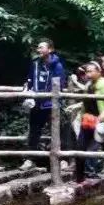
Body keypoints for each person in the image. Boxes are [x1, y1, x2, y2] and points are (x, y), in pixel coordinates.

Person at [22, 39, 68, 170]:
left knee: (57, 131)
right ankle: (30, 159)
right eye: (38, 47)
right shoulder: (35, 64)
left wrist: (47, 96)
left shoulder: (57, 65)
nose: (39, 50)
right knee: (34, 131)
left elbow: (60, 84)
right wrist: (28, 92)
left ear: (50, 49)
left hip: (51, 103)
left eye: (41, 47)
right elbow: (30, 80)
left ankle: (62, 159)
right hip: (36, 103)